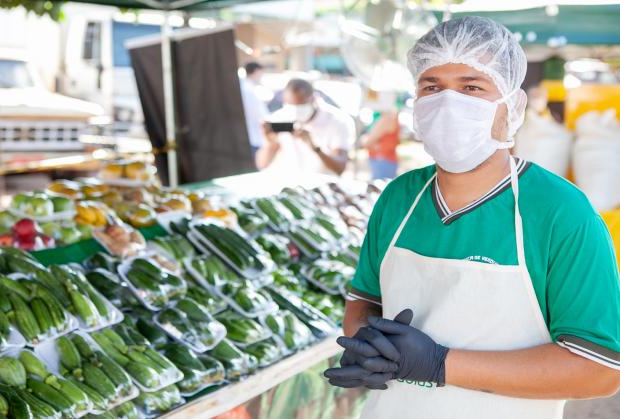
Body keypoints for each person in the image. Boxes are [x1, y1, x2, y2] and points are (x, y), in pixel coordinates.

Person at [324, 16, 619, 419]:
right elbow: (363, 304)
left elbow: (599, 369)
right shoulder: (399, 197)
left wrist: (439, 365)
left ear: (512, 107)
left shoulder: (560, 212)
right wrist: (369, 347)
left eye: (471, 87)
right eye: (432, 87)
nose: (448, 103)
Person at [256, 79, 355, 176]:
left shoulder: (338, 120)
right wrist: (271, 143)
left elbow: (340, 168)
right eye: (291, 105)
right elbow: (262, 164)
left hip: (321, 187)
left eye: (301, 105)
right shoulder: (277, 118)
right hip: (287, 185)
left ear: (314, 98)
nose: (296, 110)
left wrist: (314, 147)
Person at [361, 106, 401, 180]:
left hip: (382, 160)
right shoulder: (392, 117)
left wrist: (365, 140)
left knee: (380, 188)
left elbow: (368, 142)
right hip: (385, 161)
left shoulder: (386, 118)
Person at [239, 61, 268, 156]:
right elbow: (259, 115)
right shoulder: (248, 90)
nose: (261, 75)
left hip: (252, 136)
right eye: (261, 72)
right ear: (256, 71)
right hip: (253, 137)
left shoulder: (247, 87)